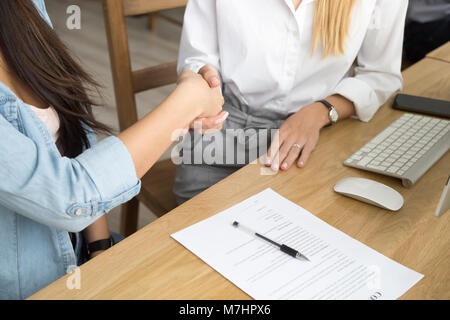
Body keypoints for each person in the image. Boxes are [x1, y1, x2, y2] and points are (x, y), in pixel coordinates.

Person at [0, 0, 223, 300]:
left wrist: (99, 246)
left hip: (82, 252)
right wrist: (186, 103)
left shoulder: (26, 6)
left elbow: (73, 128)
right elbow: (68, 196)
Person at [173, 0, 409, 204]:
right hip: (222, 134)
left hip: (315, 141)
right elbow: (197, 59)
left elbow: (380, 74)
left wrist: (321, 112)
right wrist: (202, 85)